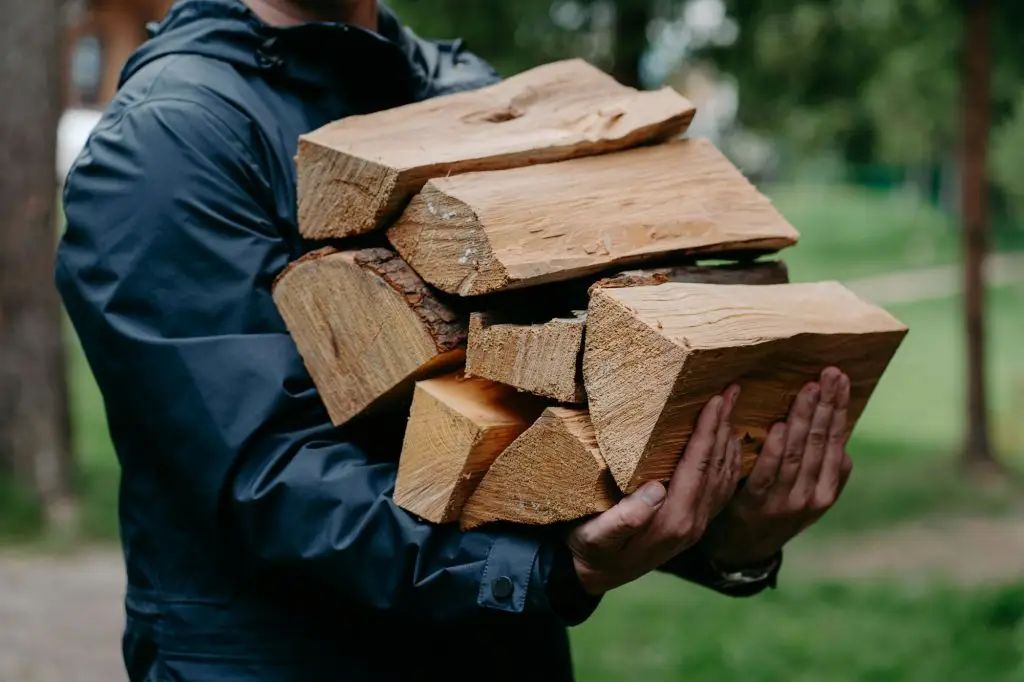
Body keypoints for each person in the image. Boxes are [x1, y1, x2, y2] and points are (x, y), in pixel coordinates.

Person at [54, 1, 854, 680]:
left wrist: (724, 536)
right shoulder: (169, 141)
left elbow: (573, 401)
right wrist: (545, 570)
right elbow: (262, 472)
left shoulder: (463, 92)